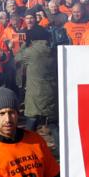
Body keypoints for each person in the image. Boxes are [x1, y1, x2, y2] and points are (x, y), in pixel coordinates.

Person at [15, 27, 60, 157]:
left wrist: (24, 44)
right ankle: (61, 152)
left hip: (35, 94)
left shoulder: (30, 52)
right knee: (53, 124)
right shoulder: (52, 50)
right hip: (51, 92)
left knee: (31, 123)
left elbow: (17, 59)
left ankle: (25, 151)